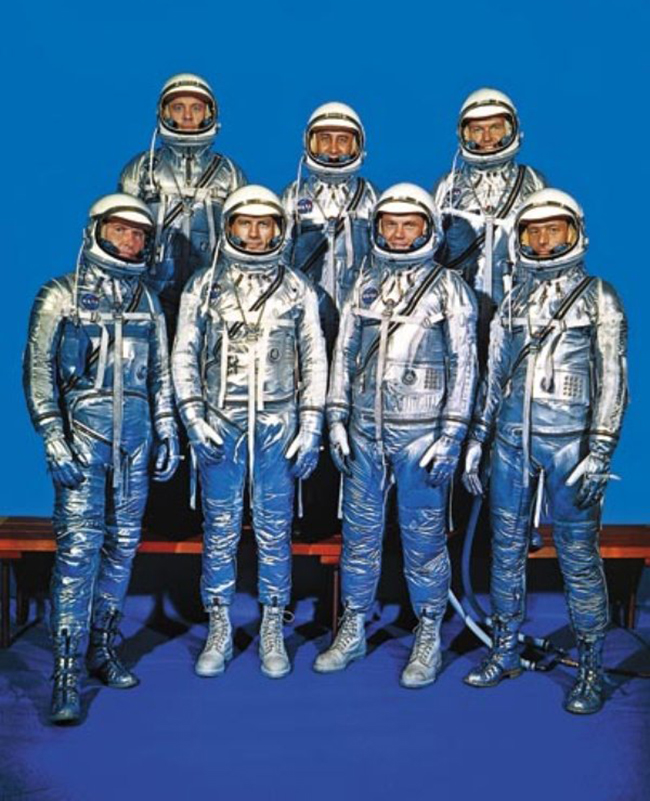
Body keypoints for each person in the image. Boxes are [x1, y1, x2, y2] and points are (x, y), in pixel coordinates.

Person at [462, 188, 628, 714]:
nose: (541, 240)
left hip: (570, 444)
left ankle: (591, 664)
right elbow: (494, 378)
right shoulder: (513, 302)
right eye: (533, 231)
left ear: (574, 232)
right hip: (512, 439)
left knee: (578, 554)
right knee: (505, 549)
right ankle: (505, 648)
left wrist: (601, 449)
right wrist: (478, 440)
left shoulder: (599, 297)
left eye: (553, 230)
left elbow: (613, 379)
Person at [313, 184, 478, 688]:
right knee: (359, 539)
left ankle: (428, 632)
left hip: (421, 436)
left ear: (428, 230)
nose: (399, 234)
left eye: (410, 225)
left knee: (423, 539)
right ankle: (354, 626)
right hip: (365, 431)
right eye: (390, 224)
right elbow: (343, 355)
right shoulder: (365, 282)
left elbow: (465, 366)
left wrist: (451, 436)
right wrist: (336, 418)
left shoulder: (449, 289)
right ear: (378, 228)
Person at [23, 194, 179, 724]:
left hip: (134, 442)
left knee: (122, 549)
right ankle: (65, 670)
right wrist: (52, 435)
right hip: (82, 440)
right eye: (120, 230)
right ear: (96, 231)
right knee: (78, 552)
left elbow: (159, 374)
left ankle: (102, 646)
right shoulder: (60, 295)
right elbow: (38, 371)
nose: (130, 241)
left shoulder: (147, 301)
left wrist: (165, 429)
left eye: (139, 234)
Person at [172, 185, 327, 679]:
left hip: (277, 422)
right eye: (246, 223)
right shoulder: (205, 285)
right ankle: (219, 625)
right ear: (230, 226)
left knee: (273, 530)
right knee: (219, 529)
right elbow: (184, 354)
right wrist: (193, 417)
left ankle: (272, 626)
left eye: (265, 225)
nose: (255, 234)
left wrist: (311, 425)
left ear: (280, 230)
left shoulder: (296, 287)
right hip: (221, 420)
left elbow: (315, 359)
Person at [119, 72, 247, 333]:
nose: (187, 116)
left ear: (210, 114)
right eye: (178, 108)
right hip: (152, 289)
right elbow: (120, 233)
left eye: (196, 108)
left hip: (212, 295)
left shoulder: (229, 173)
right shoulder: (143, 169)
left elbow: (245, 239)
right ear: (164, 113)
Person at [433, 88, 545, 348]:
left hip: (514, 301)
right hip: (459, 303)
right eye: (477, 130)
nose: (486, 138)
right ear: (463, 134)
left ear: (511, 129)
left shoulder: (532, 182)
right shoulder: (448, 186)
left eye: (495, 127)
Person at [282, 101, 378, 350]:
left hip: (357, 309)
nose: (333, 149)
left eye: (343, 140)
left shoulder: (371, 197)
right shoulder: (293, 196)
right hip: (307, 310)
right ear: (310, 143)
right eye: (325, 139)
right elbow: (278, 260)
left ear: (357, 145)